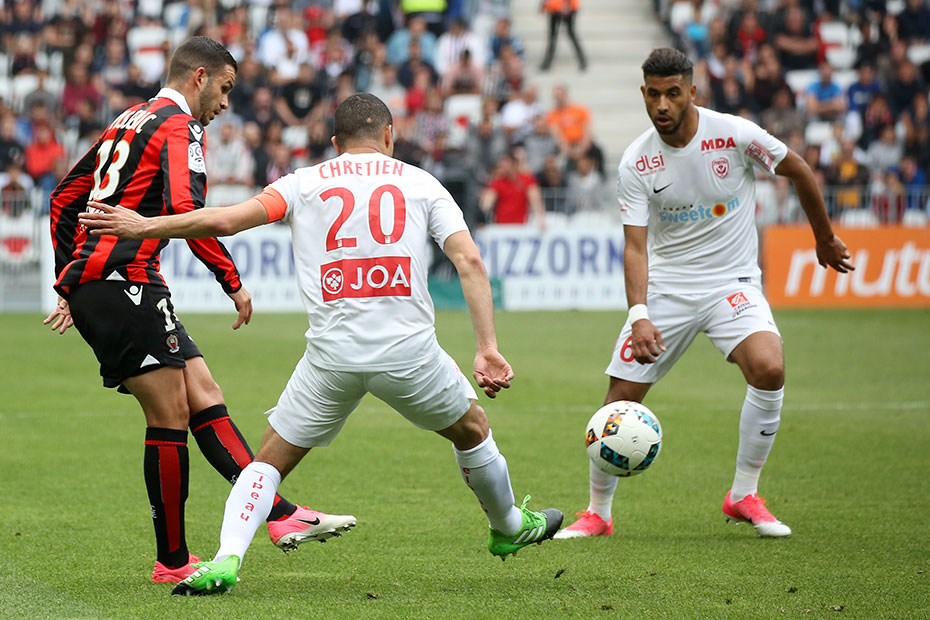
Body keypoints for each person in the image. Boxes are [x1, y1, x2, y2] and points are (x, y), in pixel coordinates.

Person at [79, 92, 563, 596]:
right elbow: (469, 261)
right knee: (474, 430)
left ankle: (224, 561)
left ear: (335, 143)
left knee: (267, 463)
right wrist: (486, 347)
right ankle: (509, 526)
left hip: (332, 358)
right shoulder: (421, 183)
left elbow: (224, 221)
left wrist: (146, 225)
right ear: (389, 136)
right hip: (410, 355)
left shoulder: (303, 182)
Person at [44, 36, 347, 585]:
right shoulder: (179, 127)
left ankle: (278, 514)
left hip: (119, 282)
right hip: (125, 284)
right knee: (169, 416)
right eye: (225, 89)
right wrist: (232, 281)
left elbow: (64, 197)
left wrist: (71, 277)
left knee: (204, 392)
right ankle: (173, 561)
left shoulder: (127, 119)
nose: (226, 104)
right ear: (199, 77)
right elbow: (189, 209)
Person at [555, 48, 854, 540]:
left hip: (731, 284)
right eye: (654, 95)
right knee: (619, 398)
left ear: (692, 92)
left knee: (769, 368)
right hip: (668, 289)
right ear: (643, 94)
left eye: (673, 93)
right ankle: (598, 513)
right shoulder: (636, 161)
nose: (662, 105)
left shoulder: (734, 135)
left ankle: (744, 494)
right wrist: (639, 314)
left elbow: (799, 168)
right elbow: (635, 247)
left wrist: (823, 237)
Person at [540, 0, 587, 72]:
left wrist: (566, 5)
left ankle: (582, 61)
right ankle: (547, 63)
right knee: (553, 37)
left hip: (567, 7)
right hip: (554, 7)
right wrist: (543, 4)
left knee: (571, 34)